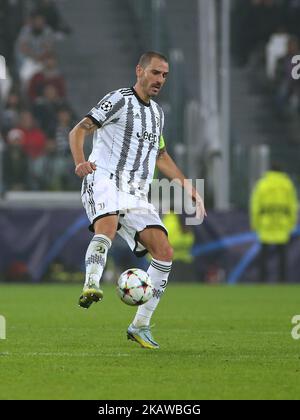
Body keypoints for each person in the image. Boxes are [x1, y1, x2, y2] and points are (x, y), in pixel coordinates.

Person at [69, 51, 206, 349]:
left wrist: (189, 188)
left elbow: (161, 156)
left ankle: (140, 325)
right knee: (106, 225)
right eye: (155, 73)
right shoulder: (118, 99)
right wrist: (80, 162)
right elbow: (78, 130)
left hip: (135, 192)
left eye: (165, 75)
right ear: (139, 71)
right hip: (103, 176)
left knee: (164, 250)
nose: (160, 80)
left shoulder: (158, 114)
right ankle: (91, 283)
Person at [250, 163, 298, 282]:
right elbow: (293, 205)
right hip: (282, 223)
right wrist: (292, 222)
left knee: (264, 255)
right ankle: (282, 279)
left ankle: (262, 280)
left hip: (266, 222)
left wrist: (255, 223)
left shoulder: (262, 184)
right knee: (282, 255)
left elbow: (255, 205)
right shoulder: (287, 185)